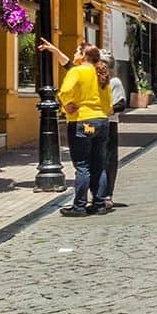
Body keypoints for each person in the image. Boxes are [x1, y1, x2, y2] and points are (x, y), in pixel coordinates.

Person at [55, 42, 109, 217]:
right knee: (98, 164)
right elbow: (107, 102)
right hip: (101, 120)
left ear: (84, 55)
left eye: (77, 51)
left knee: (82, 165)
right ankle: (99, 203)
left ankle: (79, 206)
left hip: (82, 120)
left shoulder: (77, 71)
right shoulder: (100, 72)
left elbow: (64, 91)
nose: (74, 54)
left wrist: (67, 105)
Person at [100, 58, 127, 207]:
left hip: (109, 123)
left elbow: (121, 104)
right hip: (94, 123)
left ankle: (107, 193)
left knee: (109, 159)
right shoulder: (92, 81)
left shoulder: (114, 82)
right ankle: (98, 193)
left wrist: (104, 111)